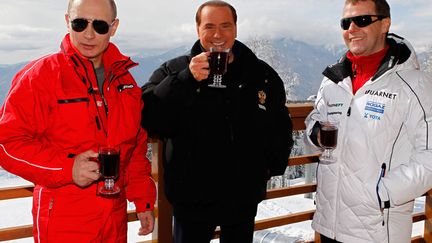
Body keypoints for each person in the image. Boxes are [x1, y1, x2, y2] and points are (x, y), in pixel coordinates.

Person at [0, 0, 156, 242]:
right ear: (67, 21)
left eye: (100, 25)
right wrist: (68, 168)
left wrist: (143, 200)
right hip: (64, 219)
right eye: (80, 23)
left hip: (114, 219)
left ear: (114, 28)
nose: (89, 34)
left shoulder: (123, 80)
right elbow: (6, 143)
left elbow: (135, 146)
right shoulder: (41, 76)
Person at [141, 1, 293, 242]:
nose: (218, 34)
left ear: (235, 28)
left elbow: (280, 125)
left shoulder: (259, 74)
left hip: (242, 199)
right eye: (209, 26)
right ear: (197, 29)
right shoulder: (175, 70)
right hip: (191, 200)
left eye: (226, 25)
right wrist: (185, 80)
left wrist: (267, 170)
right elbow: (149, 116)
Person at [305, 0, 432, 242]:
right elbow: (313, 122)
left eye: (362, 20)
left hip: (377, 229)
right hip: (328, 224)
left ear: (385, 24)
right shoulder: (334, 80)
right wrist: (316, 133)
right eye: (346, 22)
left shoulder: (416, 85)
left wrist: (382, 193)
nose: (351, 28)